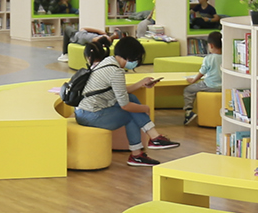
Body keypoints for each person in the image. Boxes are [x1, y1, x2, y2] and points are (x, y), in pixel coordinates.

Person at [74, 36, 179, 166]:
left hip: (84, 111)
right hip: (90, 115)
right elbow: (125, 106)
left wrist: (141, 83)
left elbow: (121, 92)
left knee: (132, 99)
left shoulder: (108, 62)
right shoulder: (116, 71)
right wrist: (146, 109)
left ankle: (147, 145)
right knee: (130, 113)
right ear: (130, 56)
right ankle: (147, 145)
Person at [183, 31, 223, 125]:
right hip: (223, 87)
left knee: (188, 90)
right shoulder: (227, 57)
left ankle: (188, 112)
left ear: (211, 45)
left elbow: (202, 71)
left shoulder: (209, 58)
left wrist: (194, 80)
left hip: (210, 86)